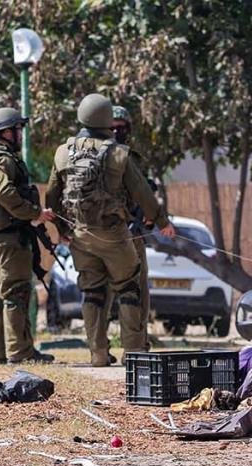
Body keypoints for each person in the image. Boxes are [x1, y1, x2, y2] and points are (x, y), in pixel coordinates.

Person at [45, 93, 174, 367]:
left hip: (80, 235)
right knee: (129, 288)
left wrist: (61, 229)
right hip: (115, 234)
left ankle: (98, 354)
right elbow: (142, 193)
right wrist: (162, 222)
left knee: (92, 293)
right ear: (106, 120)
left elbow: (52, 197)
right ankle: (134, 353)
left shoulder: (62, 152)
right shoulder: (118, 153)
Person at [0, 107, 57, 364]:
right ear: (6, 132)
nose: (20, 134)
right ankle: (19, 353)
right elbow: (2, 192)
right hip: (9, 240)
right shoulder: (3, 159)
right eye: (17, 129)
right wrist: (34, 213)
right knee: (15, 293)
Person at [107, 105, 155, 344]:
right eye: (112, 128)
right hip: (106, 234)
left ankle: (137, 341)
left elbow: (144, 191)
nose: (117, 132)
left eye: (121, 128)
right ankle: (100, 349)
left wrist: (149, 214)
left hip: (133, 232)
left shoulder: (133, 157)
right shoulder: (99, 157)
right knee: (102, 293)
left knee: (138, 290)